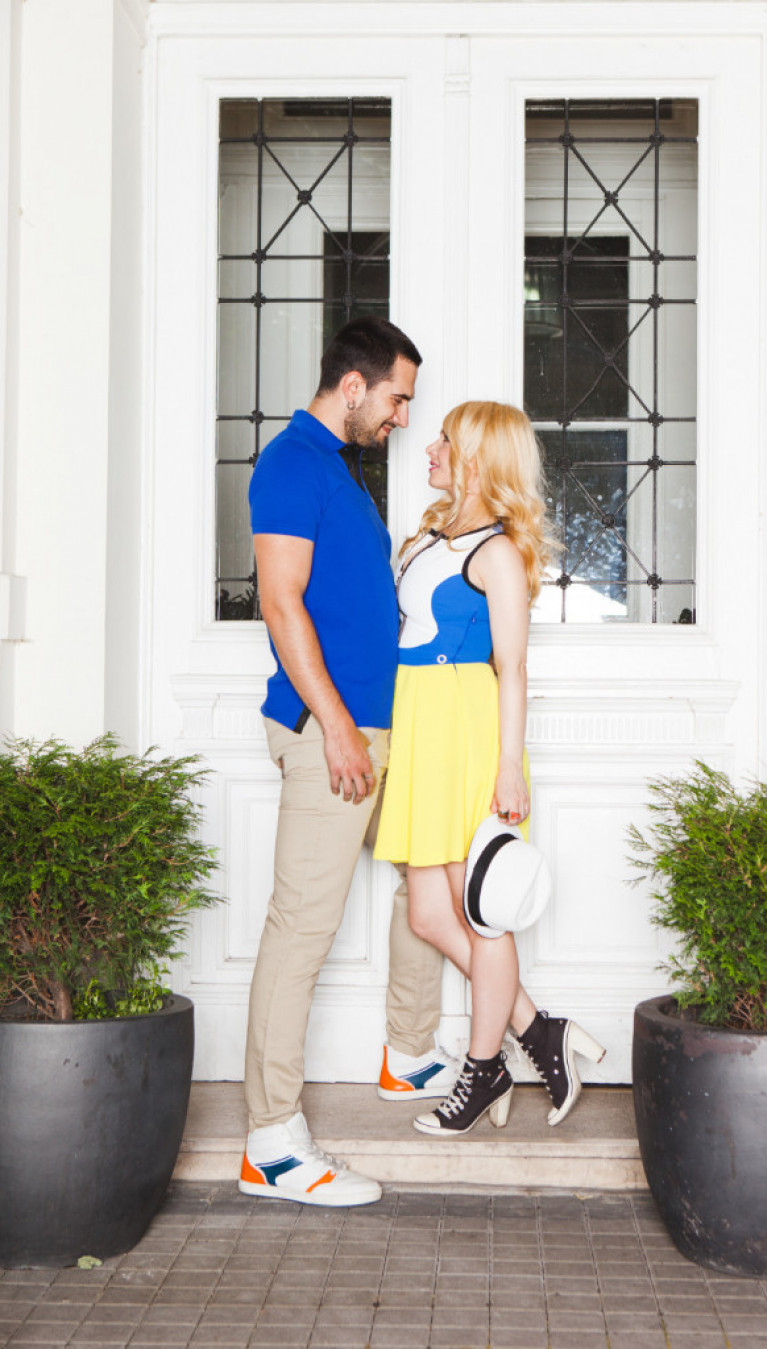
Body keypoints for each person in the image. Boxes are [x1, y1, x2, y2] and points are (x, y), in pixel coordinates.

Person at [238, 316, 455, 1208]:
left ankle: (410, 1051)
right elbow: (281, 602)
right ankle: (271, 1143)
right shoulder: (292, 464)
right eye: (398, 399)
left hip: (378, 729)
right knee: (301, 926)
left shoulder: (339, 471)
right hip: (331, 733)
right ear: (355, 385)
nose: (403, 417)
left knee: (429, 876)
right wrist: (334, 725)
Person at [374, 400, 606, 1136]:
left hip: (465, 730)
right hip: (420, 726)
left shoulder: (498, 553)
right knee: (427, 912)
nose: (430, 449)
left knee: (480, 911)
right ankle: (539, 1032)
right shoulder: (428, 536)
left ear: (477, 460)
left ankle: (482, 1068)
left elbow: (513, 667)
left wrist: (509, 767)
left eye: (446, 440)